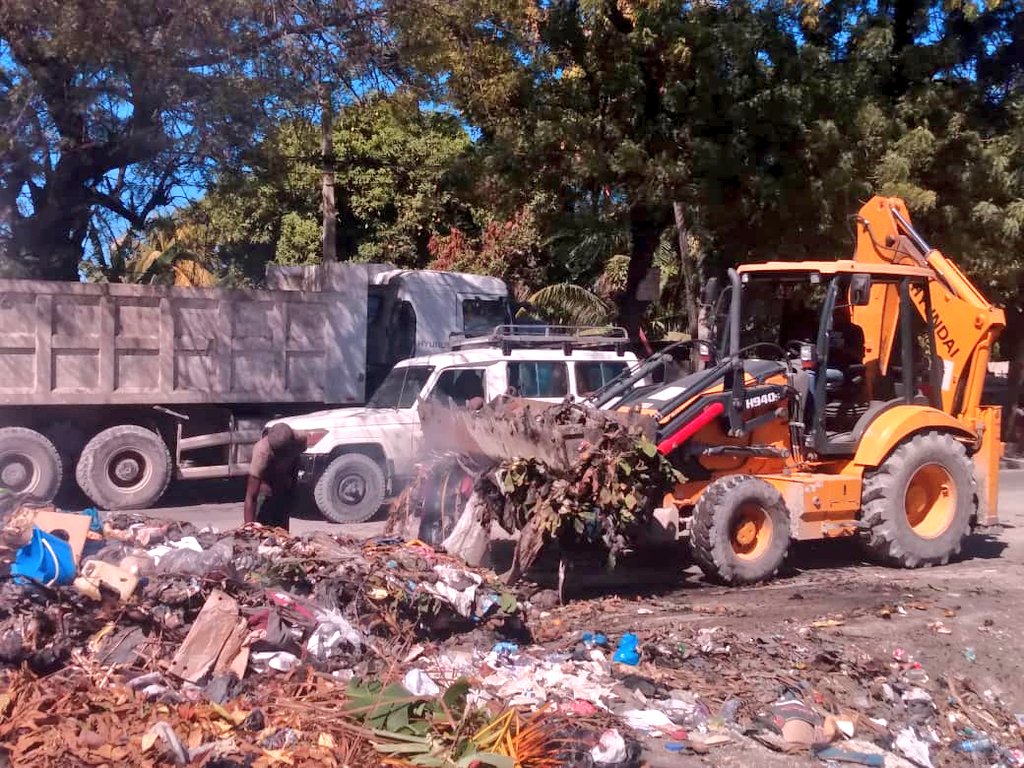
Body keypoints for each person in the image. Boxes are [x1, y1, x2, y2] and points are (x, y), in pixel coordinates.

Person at [244, 423, 307, 531]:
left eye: (283, 452)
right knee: (263, 531)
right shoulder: (261, 452)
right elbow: (251, 496)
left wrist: (292, 489)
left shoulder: (300, 439)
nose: (280, 456)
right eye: (277, 453)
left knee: (281, 532)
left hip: (284, 484)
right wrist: (249, 529)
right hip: (266, 485)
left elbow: (296, 461)